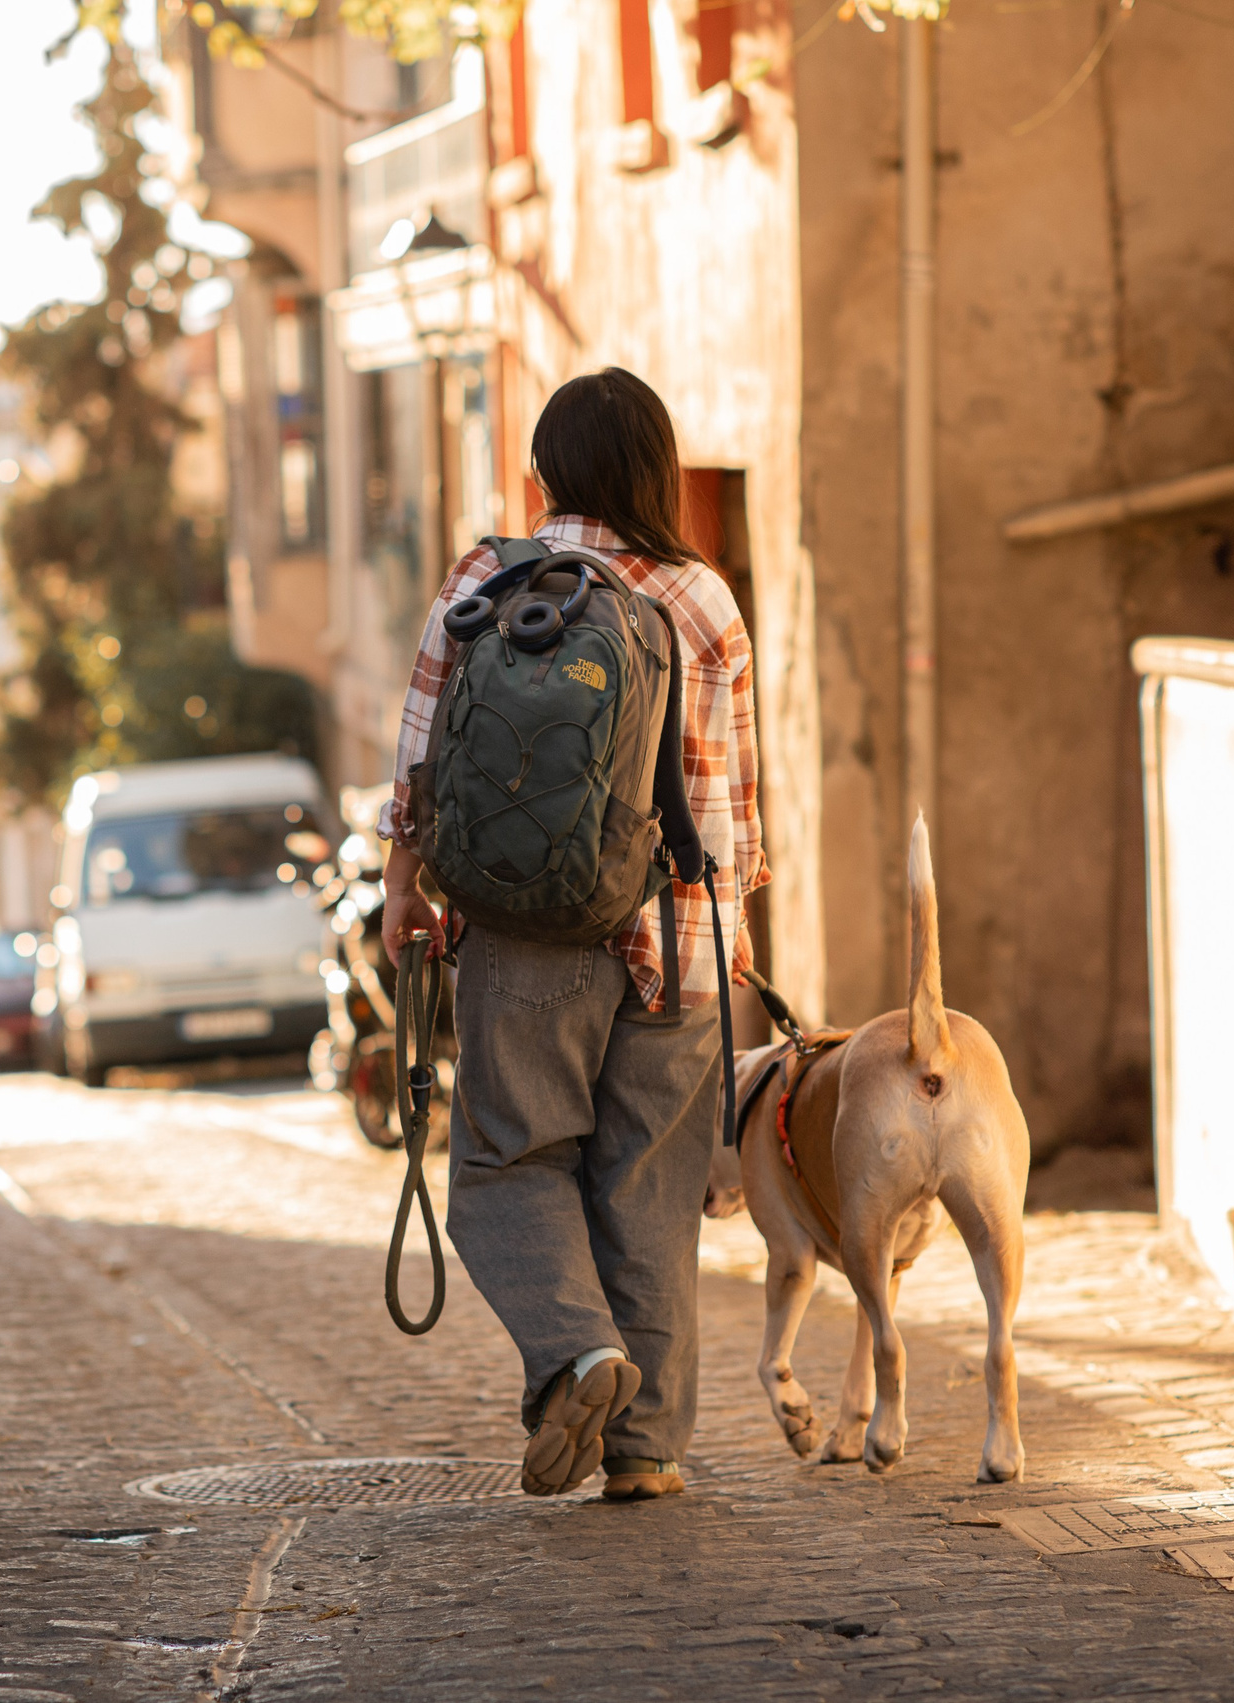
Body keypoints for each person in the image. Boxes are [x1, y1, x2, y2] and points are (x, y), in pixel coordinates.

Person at [379, 368, 766, 1502]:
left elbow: (419, 755)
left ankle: (575, 1351)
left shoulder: (488, 576)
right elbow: (732, 798)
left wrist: (406, 884)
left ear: (542, 469)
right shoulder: (705, 599)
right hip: (683, 935)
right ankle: (645, 1447)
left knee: (506, 1159)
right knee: (647, 1187)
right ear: (653, 469)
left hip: (525, 924)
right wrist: (728, 938)